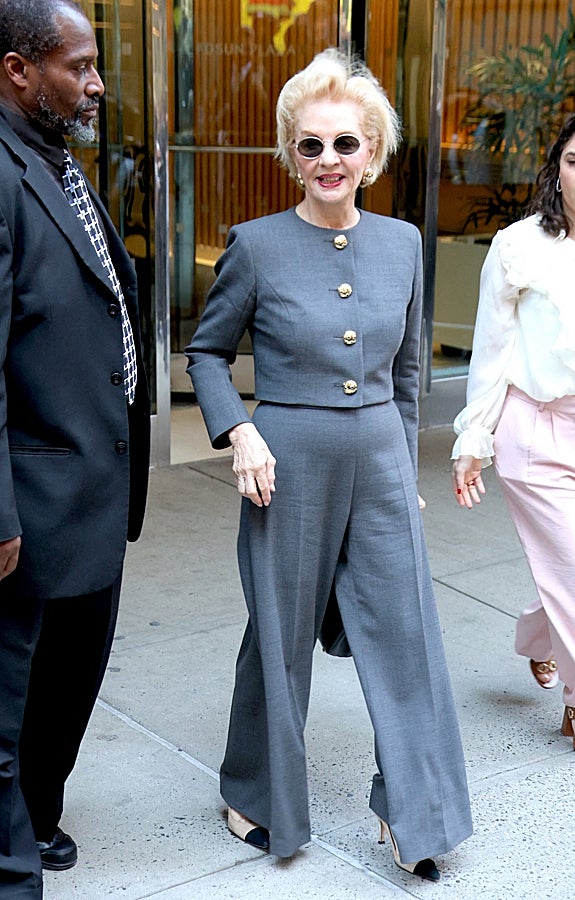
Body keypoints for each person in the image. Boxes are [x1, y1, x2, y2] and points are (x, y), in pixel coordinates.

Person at [186, 49, 472, 881]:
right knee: (278, 638)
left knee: (407, 635)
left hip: (380, 464)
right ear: (292, 153)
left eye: (345, 143)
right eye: (310, 145)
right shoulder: (255, 246)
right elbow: (206, 353)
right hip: (289, 467)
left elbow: (408, 378)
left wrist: (408, 478)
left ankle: (414, 813)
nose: (328, 161)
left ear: (371, 151)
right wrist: (240, 432)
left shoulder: (404, 244)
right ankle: (257, 792)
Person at [0, 0, 150, 894]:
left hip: (92, 486)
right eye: (79, 66)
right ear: (19, 70)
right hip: (32, 500)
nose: (96, 85)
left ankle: (36, 815)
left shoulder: (56, 161)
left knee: (68, 679)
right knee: (13, 698)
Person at [452, 102, 575, 764]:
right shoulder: (517, 247)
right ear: (556, 167)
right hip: (536, 431)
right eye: (574, 161)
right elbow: (491, 354)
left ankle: (539, 637)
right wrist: (472, 443)